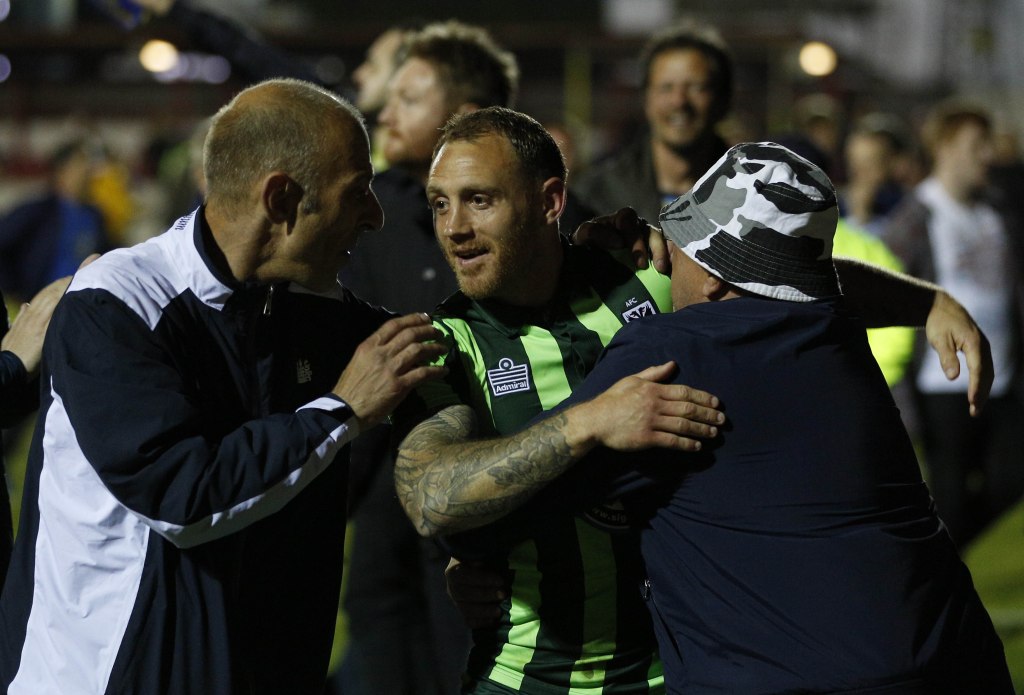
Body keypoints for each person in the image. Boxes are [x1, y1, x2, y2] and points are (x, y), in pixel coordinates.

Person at [393, 107, 993, 694]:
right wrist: (584, 427)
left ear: (550, 201)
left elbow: (782, 276)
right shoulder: (446, 344)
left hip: (677, 668)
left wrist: (924, 303)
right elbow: (433, 500)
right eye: (439, 202)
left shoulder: (652, 285)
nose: (453, 227)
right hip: (536, 675)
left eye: (479, 200)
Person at [0, 78, 446, 695]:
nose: (373, 215)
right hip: (110, 677)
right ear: (282, 200)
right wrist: (340, 411)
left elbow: (442, 347)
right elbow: (182, 492)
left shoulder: (300, 305)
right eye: (355, 192)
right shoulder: (117, 306)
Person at [883, 101, 1024, 547]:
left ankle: (950, 561)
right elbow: (886, 301)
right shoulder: (916, 215)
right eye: (975, 144)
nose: (988, 154)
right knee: (949, 502)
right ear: (944, 147)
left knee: (1011, 481)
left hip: (1003, 382)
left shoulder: (997, 212)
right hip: (942, 386)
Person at [573, 19, 733, 224]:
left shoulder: (754, 192)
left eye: (695, 87)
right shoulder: (595, 194)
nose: (679, 101)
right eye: (666, 87)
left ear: (723, 99)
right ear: (646, 99)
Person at [0, 139, 110, 303]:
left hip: (82, 307)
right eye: (79, 164)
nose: (87, 171)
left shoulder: (95, 216)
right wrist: (14, 289)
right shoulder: (38, 211)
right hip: (42, 303)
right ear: (61, 171)